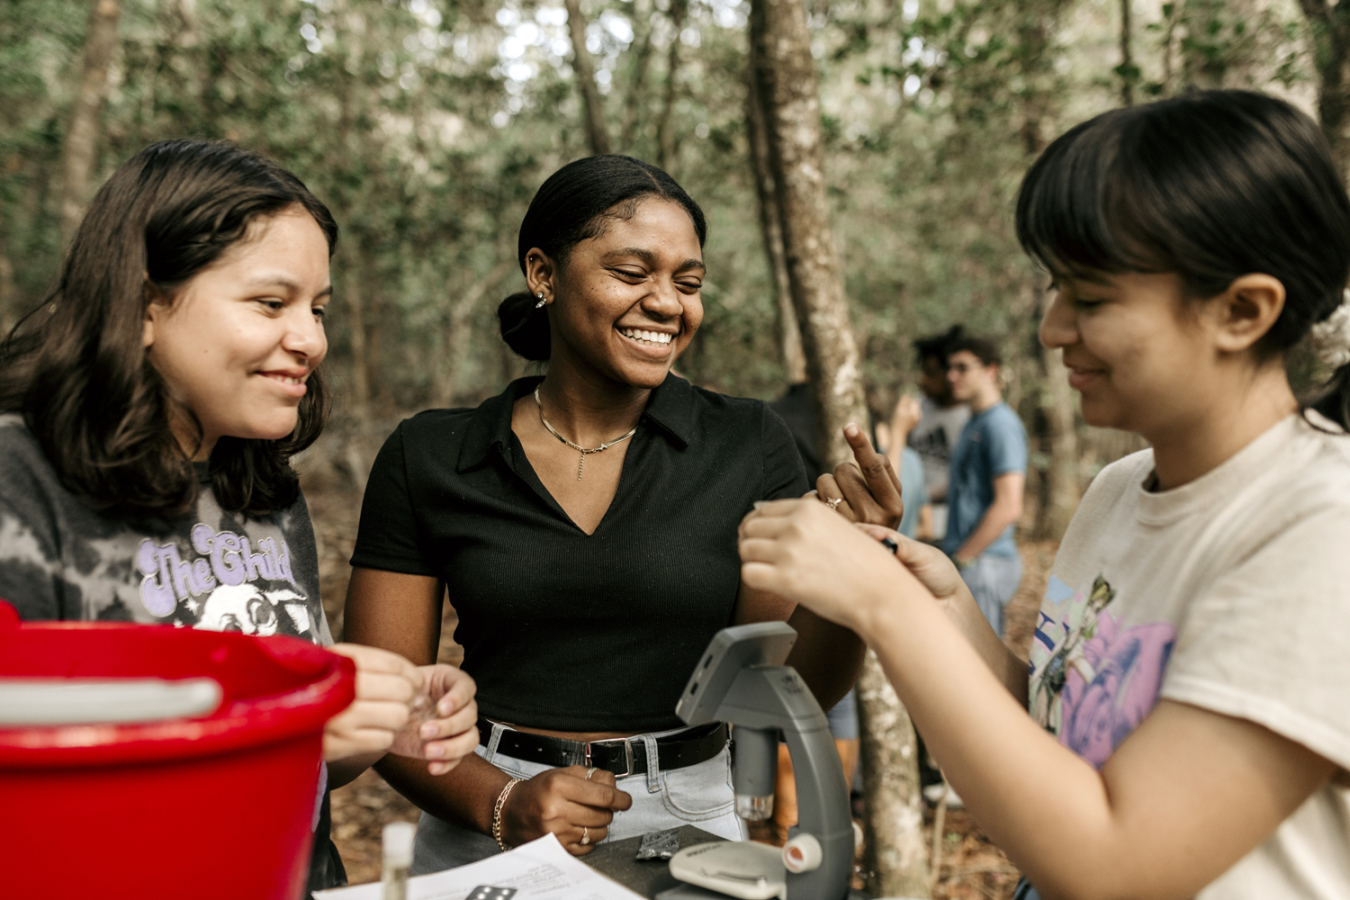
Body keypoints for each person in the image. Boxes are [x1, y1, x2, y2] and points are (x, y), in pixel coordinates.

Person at [738, 90, 1350, 899]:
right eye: (1056, 290)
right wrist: (946, 603)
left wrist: (885, 602)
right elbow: (1058, 728)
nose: (1052, 329)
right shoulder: (1119, 489)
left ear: (1241, 310)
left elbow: (1116, 863)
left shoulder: (1320, 528)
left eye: (1090, 299)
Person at [342, 154, 902, 874]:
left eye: (689, 282)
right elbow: (387, 699)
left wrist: (855, 579)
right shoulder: (432, 453)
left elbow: (790, 690)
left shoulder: (746, 443)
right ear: (543, 273)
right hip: (481, 809)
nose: (668, 304)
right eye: (632, 274)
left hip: (689, 815)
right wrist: (506, 802)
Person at [0, 140, 480, 896]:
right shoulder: (20, 483)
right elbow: (29, 795)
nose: (311, 341)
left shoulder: (261, 487)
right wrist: (275, 740)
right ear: (145, 304)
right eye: (271, 303)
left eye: (317, 310)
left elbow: (317, 756)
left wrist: (382, 720)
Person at [940, 333, 1027, 636]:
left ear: (991, 370)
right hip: (971, 563)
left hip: (984, 563)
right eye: (950, 368)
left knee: (983, 665)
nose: (952, 376)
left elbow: (1009, 505)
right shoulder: (973, 423)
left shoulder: (1001, 425)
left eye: (962, 367)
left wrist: (964, 558)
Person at [892, 326, 970, 540]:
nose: (922, 379)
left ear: (950, 374)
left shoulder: (970, 419)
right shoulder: (917, 409)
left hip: (946, 529)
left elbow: (966, 480)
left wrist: (920, 496)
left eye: (930, 372)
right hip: (909, 523)